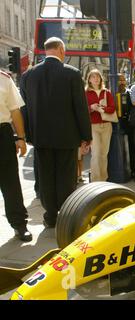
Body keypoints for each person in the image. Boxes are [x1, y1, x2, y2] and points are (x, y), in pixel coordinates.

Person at [20, 37, 92, 228]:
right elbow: (80, 108)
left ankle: (50, 215)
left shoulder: (28, 75)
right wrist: (86, 136)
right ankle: (65, 214)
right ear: (60, 49)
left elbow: (24, 109)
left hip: (40, 137)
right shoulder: (72, 74)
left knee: (45, 176)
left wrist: (28, 135)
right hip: (67, 137)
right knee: (66, 176)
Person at [0, 71, 31, 241]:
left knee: (10, 182)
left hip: (2, 133)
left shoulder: (3, 79)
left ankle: (19, 224)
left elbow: (15, 110)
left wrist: (21, 137)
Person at [85, 69, 115, 182]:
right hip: (93, 126)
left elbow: (112, 109)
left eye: (97, 76)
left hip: (107, 126)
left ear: (101, 78)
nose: (96, 78)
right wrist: (91, 108)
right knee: (96, 154)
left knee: (104, 154)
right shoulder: (85, 93)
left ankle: (103, 179)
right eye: (93, 77)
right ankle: (96, 181)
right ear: (89, 79)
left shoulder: (106, 92)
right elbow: (82, 111)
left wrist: (102, 109)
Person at [117, 73, 135, 178]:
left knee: (132, 148)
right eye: (119, 80)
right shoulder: (111, 93)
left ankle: (132, 170)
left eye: (123, 80)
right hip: (116, 124)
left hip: (129, 124)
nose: (122, 82)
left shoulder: (129, 93)